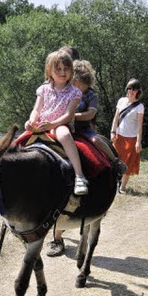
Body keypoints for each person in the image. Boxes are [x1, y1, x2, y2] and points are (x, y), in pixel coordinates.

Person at [46, 59, 127, 257]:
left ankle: (115, 163)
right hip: (61, 127)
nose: (77, 88)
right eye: (75, 84)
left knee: (98, 142)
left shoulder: (90, 95)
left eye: (80, 85)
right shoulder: (65, 89)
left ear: (86, 83)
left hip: (83, 130)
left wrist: (74, 114)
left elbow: (91, 113)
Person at [25, 50, 89, 196]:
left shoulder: (74, 92)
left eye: (66, 68)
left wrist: (52, 125)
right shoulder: (43, 89)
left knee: (65, 135)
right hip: (41, 125)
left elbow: (68, 115)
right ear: (50, 70)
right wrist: (31, 121)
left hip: (60, 125)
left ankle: (79, 176)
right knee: (16, 144)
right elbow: (36, 110)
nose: (62, 72)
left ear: (71, 70)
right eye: (58, 69)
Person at [110, 79, 144, 194]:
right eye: (129, 88)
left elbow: (140, 126)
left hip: (132, 138)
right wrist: (112, 132)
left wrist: (138, 142)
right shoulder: (121, 101)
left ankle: (122, 187)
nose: (131, 91)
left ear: (138, 91)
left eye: (134, 89)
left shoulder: (140, 107)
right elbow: (116, 118)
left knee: (127, 164)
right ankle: (114, 183)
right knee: (114, 160)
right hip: (119, 137)